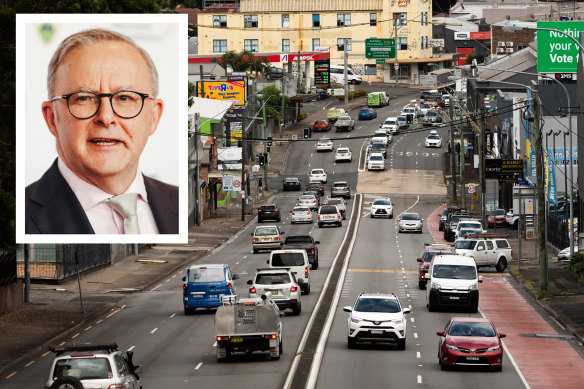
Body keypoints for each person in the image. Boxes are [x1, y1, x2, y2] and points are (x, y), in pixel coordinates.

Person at [25, 28, 178, 234]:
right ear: (51, 117)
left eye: (124, 98)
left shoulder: (179, 204)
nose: (106, 117)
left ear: (154, 116)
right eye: (84, 98)